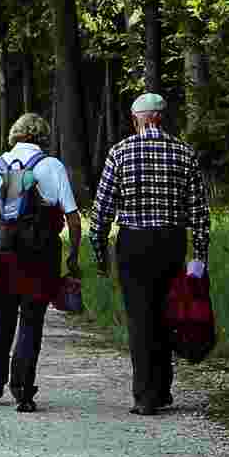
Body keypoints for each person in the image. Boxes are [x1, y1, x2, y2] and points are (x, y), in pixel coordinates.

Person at [89, 93, 210, 416]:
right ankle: (163, 389)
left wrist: (99, 252)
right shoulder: (184, 153)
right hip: (171, 242)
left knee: (140, 318)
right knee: (167, 313)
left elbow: (101, 211)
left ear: (138, 119)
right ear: (161, 118)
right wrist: (200, 256)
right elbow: (199, 212)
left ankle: (145, 396)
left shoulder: (120, 152)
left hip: (133, 243)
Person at [0, 113, 81, 412]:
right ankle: (23, 390)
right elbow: (72, 217)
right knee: (31, 322)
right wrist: (73, 253)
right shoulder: (51, 166)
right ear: (42, 137)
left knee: (0, 319)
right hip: (40, 257)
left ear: (15, 135)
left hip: (2, 253)